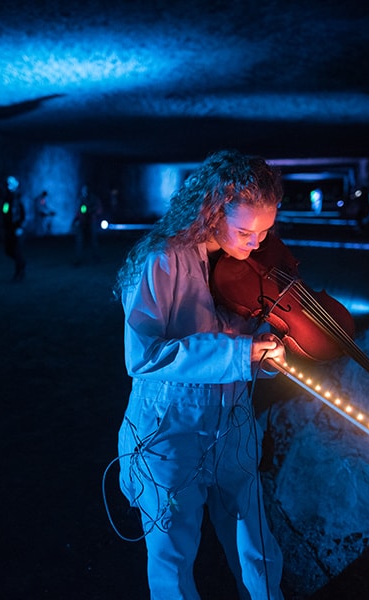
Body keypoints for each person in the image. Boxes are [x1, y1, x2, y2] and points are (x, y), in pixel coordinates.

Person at [113, 150, 287, 599]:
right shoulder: (162, 259)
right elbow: (144, 356)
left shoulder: (246, 264)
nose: (255, 244)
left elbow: (243, 335)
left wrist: (266, 348)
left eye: (265, 231)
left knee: (259, 550)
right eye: (245, 231)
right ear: (212, 212)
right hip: (169, 429)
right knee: (172, 559)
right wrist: (241, 353)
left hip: (233, 424)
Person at [0, 175, 26, 281]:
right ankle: (21, 265)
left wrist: (18, 226)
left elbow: (20, 214)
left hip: (15, 229)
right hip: (10, 228)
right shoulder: (8, 199)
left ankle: (19, 271)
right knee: (9, 250)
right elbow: (6, 213)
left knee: (16, 250)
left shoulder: (15, 199)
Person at [72, 184, 101, 265]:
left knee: (93, 240)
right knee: (80, 241)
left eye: (87, 190)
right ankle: (79, 259)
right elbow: (79, 211)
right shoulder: (81, 199)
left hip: (91, 222)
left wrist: (92, 212)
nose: (85, 192)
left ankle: (95, 257)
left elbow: (98, 209)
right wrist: (77, 219)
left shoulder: (94, 199)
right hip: (83, 223)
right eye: (84, 190)